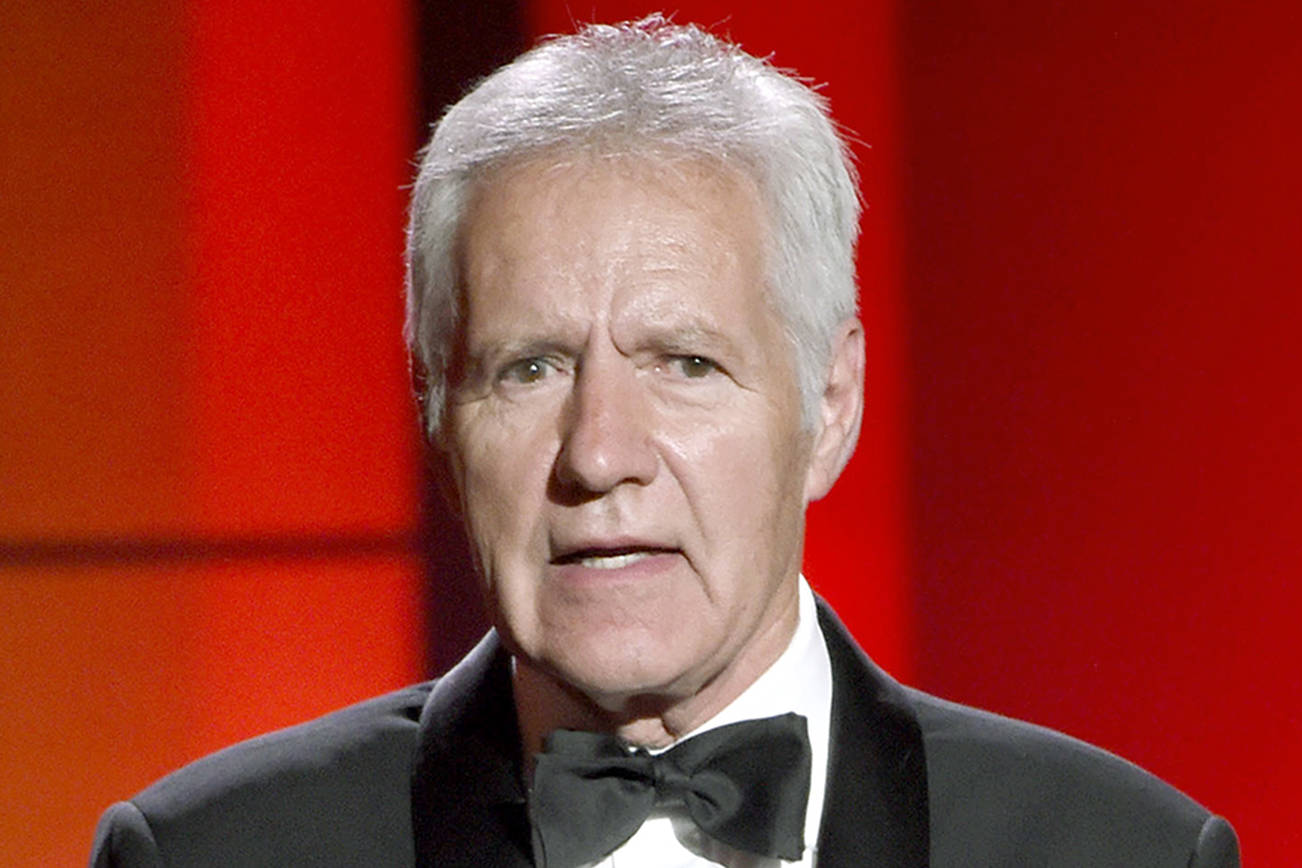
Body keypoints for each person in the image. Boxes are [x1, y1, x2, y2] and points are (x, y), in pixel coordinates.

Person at [91, 16, 1239, 867]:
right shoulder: (211, 852)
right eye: (528, 367)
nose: (599, 455)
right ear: (437, 417)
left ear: (829, 403)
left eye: (685, 364)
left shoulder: (1121, 849)